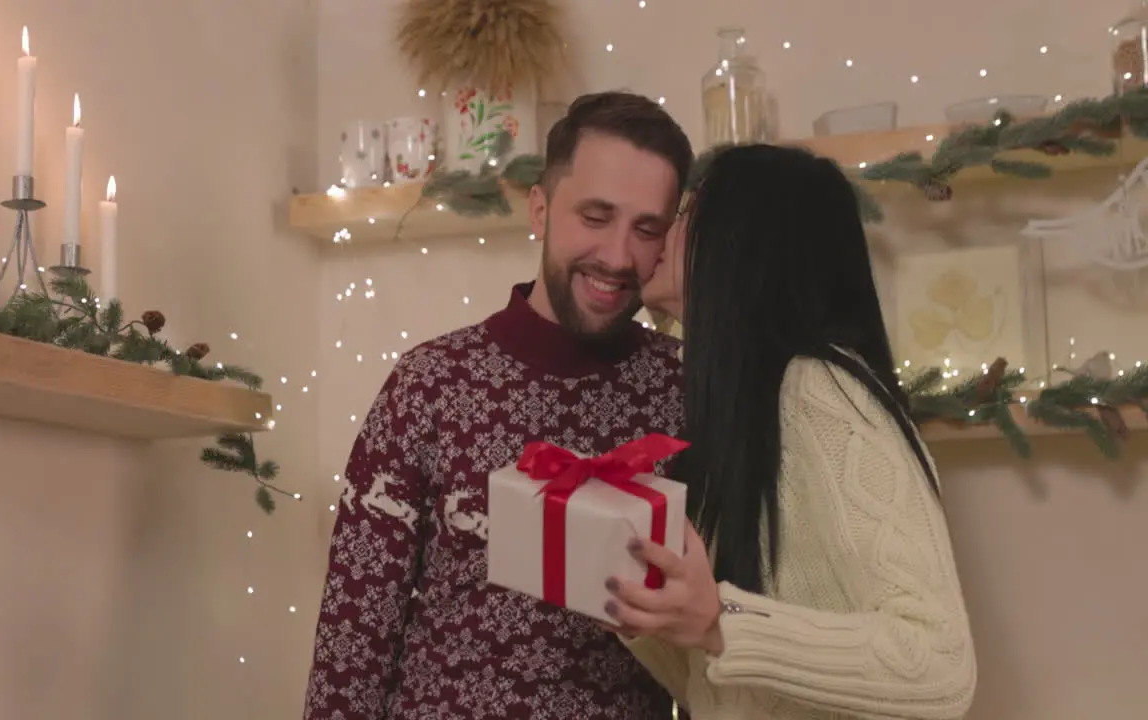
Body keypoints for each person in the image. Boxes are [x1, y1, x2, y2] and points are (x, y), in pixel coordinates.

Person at [302, 92, 694, 719]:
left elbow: (715, 637)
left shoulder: (685, 391)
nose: (619, 257)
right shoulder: (431, 385)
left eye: (646, 229)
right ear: (539, 209)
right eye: (595, 217)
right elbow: (354, 645)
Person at [606, 144, 977, 719]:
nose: (662, 231)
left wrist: (722, 621)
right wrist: (639, 610)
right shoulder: (735, 414)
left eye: (687, 215)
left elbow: (937, 663)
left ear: (741, 243)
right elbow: (723, 691)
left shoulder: (819, 391)